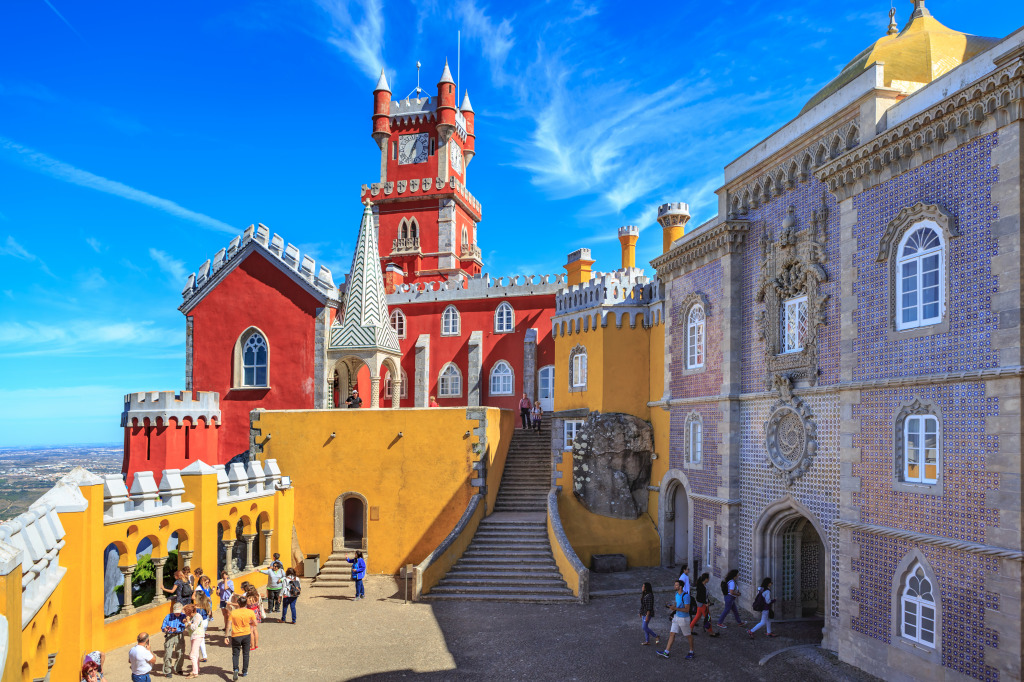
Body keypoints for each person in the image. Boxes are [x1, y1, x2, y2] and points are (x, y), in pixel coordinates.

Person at [657, 579, 695, 660]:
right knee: (672, 633)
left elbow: (687, 609)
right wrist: (672, 607)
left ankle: (691, 651)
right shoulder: (676, 593)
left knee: (688, 635)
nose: (674, 586)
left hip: (684, 618)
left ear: (680, 587)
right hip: (677, 617)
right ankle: (666, 652)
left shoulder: (686, 596)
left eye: (676, 585)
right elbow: (676, 604)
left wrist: (675, 608)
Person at [225, 593, 257, 681]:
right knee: (246, 653)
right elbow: (255, 623)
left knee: (235, 654)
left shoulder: (233, 613)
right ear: (246, 603)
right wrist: (249, 623)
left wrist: (226, 636)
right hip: (246, 634)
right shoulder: (250, 612)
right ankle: (245, 671)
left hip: (236, 635)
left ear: (238, 604)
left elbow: (228, 625)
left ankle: (235, 669)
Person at [160, 602, 187, 677]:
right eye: (176, 612)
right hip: (169, 636)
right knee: (168, 654)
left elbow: (185, 626)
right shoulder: (168, 616)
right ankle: (167, 671)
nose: (177, 614)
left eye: (178, 612)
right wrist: (166, 629)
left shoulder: (184, 616)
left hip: (179, 636)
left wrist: (177, 629)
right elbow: (163, 627)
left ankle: (178, 668)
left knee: (180, 653)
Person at [183, 603, 206, 678]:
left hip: (197, 636)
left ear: (191, 612)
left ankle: (195, 672)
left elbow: (193, 627)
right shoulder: (194, 617)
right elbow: (189, 628)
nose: (187, 615)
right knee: (196, 654)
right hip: (194, 636)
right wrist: (186, 622)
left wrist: (189, 622)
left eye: (187, 613)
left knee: (192, 655)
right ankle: (196, 669)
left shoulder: (197, 616)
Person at [639, 581, 660, 646]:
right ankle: (647, 641)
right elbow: (642, 605)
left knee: (644, 627)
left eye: (643, 586)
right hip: (644, 613)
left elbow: (649, 607)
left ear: (646, 588)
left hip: (647, 614)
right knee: (645, 627)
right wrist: (640, 612)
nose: (642, 587)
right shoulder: (644, 594)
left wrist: (647, 615)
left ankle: (656, 636)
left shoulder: (649, 596)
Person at [195, 592, 213, 663]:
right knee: (201, 638)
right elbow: (209, 613)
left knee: (199, 639)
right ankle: (203, 655)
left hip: (199, 623)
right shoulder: (207, 604)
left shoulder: (196, 607)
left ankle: (203, 656)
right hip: (205, 622)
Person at [245, 585, 262, 650]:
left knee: (251, 631)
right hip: (256, 612)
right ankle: (256, 644)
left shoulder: (248, 599)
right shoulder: (257, 596)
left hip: (250, 614)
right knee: (255, 629)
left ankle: (252, 646)